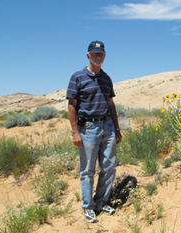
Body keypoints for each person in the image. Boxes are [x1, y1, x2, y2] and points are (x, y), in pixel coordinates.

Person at [66, 41, 122, 223]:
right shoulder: (78, 77)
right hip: (88, 129)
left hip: (107, 127)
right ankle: (88, 207)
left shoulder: (106, 78)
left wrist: (117, 128)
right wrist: (75, 132)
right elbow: (71, 106)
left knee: (109, 166)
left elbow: (111, 104)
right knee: (87, 170)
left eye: (102, 54)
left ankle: (101, 202)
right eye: (95, 53)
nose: (98, 57)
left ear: (105, 56)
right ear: (88, 55)